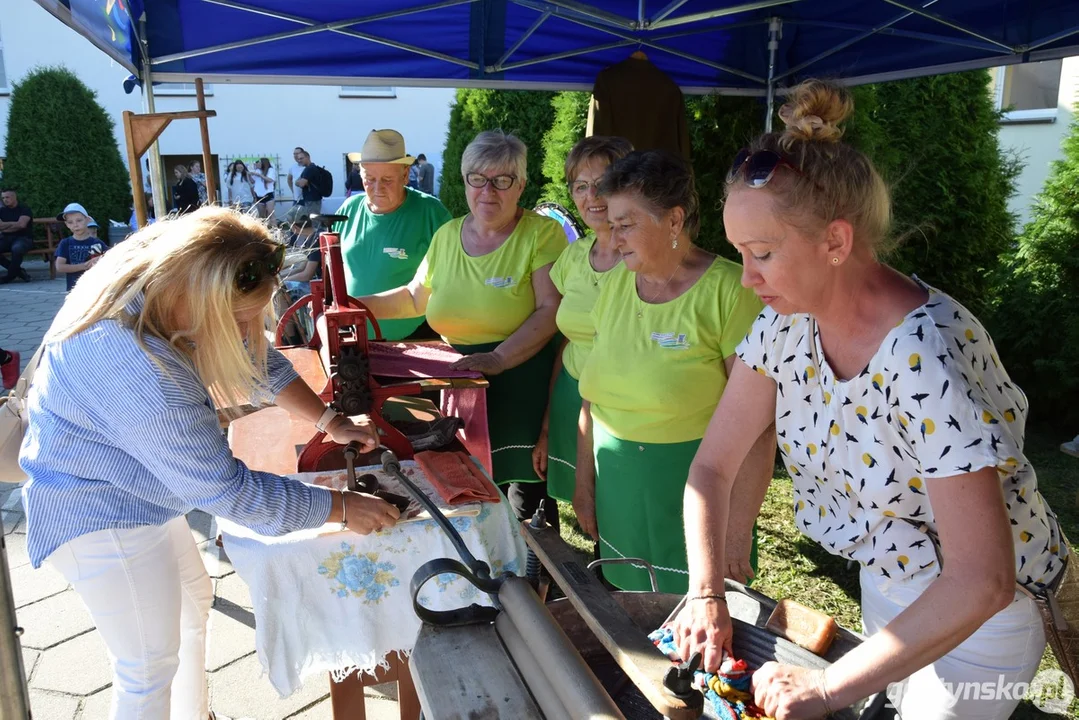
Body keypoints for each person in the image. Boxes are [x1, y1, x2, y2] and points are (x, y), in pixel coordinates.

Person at [670, 80, 1068, 720]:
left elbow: (981, 579)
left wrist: (827, 688)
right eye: (741, 253)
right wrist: (706, 593)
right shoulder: (785, 322)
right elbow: (712, 467)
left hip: (978, 615)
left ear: (835, 241)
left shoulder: (925, 358)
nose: (747, 277)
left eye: (763, 254)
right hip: (888, 575)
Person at [20, 206, 400, 720]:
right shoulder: (141, 370)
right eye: (240, 319)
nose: (249, 331)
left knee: (194, 602)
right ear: (199, 296)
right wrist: (342, 507)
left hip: (138, 488)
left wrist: (330, 423)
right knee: (146, 666)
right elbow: (231, 494)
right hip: (97, 514)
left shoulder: (156, 281)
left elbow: (256, 360)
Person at [576, 150, 767, 594]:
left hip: (694, 483)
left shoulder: (729, 292)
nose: (614, 237)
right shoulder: (617, 284)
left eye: (626, 224)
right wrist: (585, 484)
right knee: (628, 604)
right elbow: (592, 396)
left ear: (674, 221)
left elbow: (758, 428)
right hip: (618, 481)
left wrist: (737, 531)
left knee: (698, 615)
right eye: (612, 224)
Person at [358, 130, 567, 527]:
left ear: (520, 185)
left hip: (521, 381)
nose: (488, 190)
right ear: (464, 181)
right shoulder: (448, 234)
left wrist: (499, 358)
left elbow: (549, 310)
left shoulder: (541, 234)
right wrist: (354, 304)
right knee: (468, 496)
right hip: (458, 382)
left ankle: (534, 580)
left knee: (526, 505)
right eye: (478, 178)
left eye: (502, 180)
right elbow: (416, 297)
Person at [532, 136, 632, 526]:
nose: (593, 196)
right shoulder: (573, 257)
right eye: (580, 186)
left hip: (620, 407)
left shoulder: (644, 258)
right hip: (572, 395)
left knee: (618, 509)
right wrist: (546, 425)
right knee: (586, 512)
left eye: (604, 183)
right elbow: (566, 342)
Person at [336, 129, 452, 340]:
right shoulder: (348, 210)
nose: (377, 188)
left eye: (387, 180)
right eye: (369, 178)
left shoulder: (433, 214)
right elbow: (332, 268)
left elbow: (449, 285)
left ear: (405, 175)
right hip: (354, 337)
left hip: (416, 338)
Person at [55, 203, 107, 292]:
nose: (75, 225)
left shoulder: (96, 243)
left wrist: (101, 258)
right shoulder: (65, 243)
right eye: (70, 222)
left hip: (94, 288)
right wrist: (83, 266)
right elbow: (60, 266)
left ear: (87, 220)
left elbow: (108, 259)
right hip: (73, 290)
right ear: (66, 224)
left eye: (79, 220)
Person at [0, 187, 34, 284]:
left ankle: (9, 276)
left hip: (23, 238)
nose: (5, 200)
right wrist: (14, 224)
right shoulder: (2, 211)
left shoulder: (24, 209)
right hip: (6, 238)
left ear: (14, 197)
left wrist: (5, 226)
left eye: (7, 197)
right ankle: (19, 272)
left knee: (17, 248)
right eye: (3, 198)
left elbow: (22, 225)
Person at [295, 151, 328, 217]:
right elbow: (298, 182)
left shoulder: (309, 169)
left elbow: (301, 184)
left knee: (313, 220)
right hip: (313, 199)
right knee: (312, 219)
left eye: (301, 158)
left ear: (308, 157)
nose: (299, 161)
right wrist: (299, 181)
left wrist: (298, 182)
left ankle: (316, 227)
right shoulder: (310, 168)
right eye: (298, 159)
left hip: (312, 200)